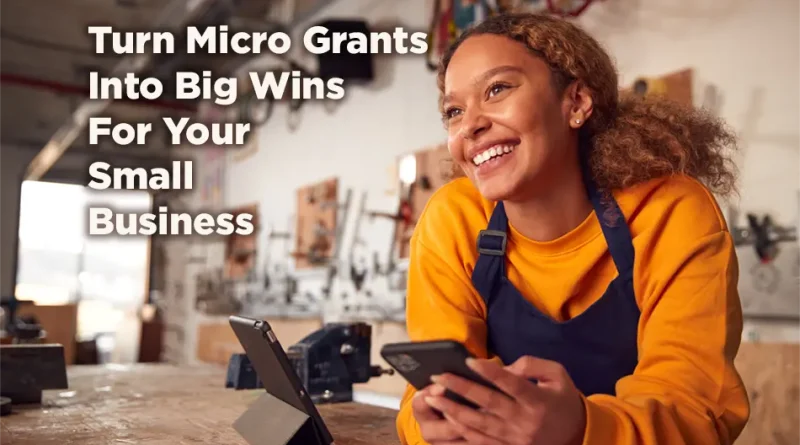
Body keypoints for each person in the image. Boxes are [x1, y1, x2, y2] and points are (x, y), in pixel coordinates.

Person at [396, 12, 750, 445]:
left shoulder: (668, 210)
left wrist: (580, 429)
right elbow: (423, 395)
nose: (470, 125)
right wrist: (430, 426)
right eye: (454, 111)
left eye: (498, 89)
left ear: (577, 102)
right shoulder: (452, 219)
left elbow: (696, 410)